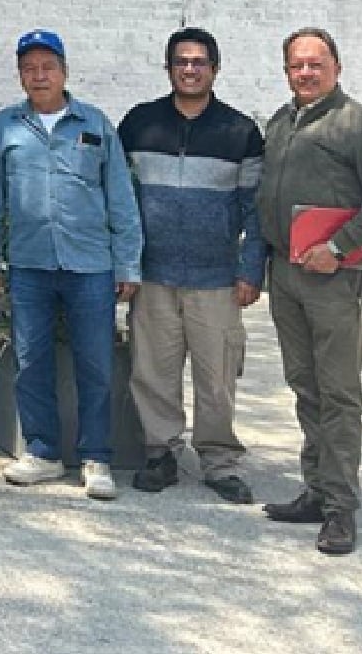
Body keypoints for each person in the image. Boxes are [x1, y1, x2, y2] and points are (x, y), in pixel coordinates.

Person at [254, 28, 362, 556]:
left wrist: (340, 247)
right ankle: (317, 491)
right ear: (286, 72)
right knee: (306, 387)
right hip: (288, 275)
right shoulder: (280, 122)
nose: (306, 72)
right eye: (296, 65)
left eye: (316, 64)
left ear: (337, 67)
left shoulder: (361, 125)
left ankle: (341, 510)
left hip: (338, 279)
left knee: (339, 393)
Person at [0, 29, 142, 502]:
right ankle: (43, 452)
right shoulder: (4, 127)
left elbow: (121, 200)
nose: (39, 75)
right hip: (29, 264)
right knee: (32, 361)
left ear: (65, 71)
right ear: (21, 75)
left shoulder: (95, 124)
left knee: (96, 364)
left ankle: (97, 458)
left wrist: (128, 264)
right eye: (30, 68)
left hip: (91, 266)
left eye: (48, 66)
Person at [118, 27, 267, 505]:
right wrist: (125, 265)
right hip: (153, 276)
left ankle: (219, 461)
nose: (189, 69)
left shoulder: (240, 131)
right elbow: (119, 203)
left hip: (216, 279)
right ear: (168, 68)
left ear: (215, 70)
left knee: (217, 377)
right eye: (181, 61)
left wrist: (250, 270)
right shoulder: (139, 124)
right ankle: (161, 453)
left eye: (199, 62)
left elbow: (255, 210)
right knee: (152, 371)